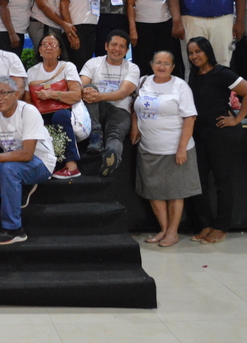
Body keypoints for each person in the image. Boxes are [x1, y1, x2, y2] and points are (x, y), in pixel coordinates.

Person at [0, 76, 56, 244]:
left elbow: (27, 154)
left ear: (16, 94)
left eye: (3, 93)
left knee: (9, 170)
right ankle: (16, 191)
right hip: (12, 163)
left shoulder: (28, 111)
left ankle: (14, 229)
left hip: (40, 162)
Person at [186, 37, 247, 244]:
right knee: (198, 181)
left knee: (222, 181)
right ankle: (206, 224)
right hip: (199, 134)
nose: (194, 56)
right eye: (191, 53)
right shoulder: (194, 74)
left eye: (198, 51)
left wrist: (236, 118)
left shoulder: (222, 73)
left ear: (207, 51)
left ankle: (221, 227)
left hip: (221, 133)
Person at [131, 51, 200, 247]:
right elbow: (134, 107)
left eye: (166, 64)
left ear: (173, 67)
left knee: (175, 192)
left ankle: (173, 232)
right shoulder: (143, 82)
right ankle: (163, 229)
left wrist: (182, 148)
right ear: (151, 64)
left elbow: (190, 118)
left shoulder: (180, 86)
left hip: (174, 149)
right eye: (158, 63)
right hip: (148, 148)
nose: (162, 67)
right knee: (154, 192)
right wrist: (135, 126)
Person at [80, 30, 140, 176]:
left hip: (120, 109)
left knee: (115, 132)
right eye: (114, 44)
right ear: (106, 46)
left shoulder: (132, 68)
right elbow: (80, 86)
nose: (117, 49)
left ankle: (112, 156)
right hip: (95, 109)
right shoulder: (93, 63)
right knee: (89, 88)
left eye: (122, 46)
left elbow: (122, 93)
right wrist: (88, 92)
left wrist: (97, 96)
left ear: (126, 50)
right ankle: (96, 137)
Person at [24, 34, 83, 179]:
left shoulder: (67, 67)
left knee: (60, 116)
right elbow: (27, 100)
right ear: (39, 50)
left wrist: (52, 95)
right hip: (40, 112)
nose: (48, 47)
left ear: (60, 51)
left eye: (53, 44)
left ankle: (72, 165)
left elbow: (76, 95)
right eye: (44, 44)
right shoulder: (32, 71)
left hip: (65, 111)